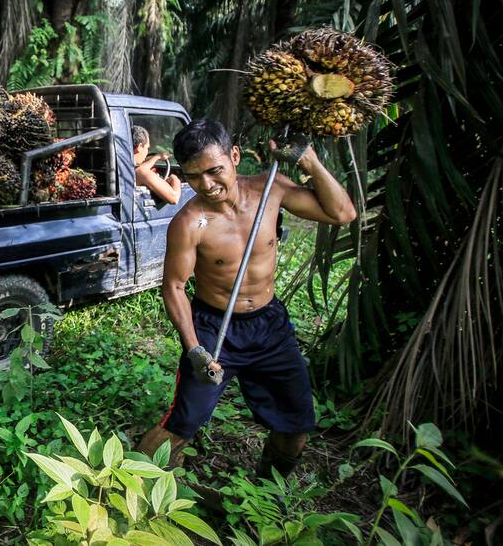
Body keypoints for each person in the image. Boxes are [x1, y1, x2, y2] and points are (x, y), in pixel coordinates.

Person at [136, 119, 356, 479]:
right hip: (214, 328)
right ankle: (136, 486)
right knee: (181, 425)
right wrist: (194, 349)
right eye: (193, 177)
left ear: (235, 156)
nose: (206, 185)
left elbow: (343, 214)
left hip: (269, 327)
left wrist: (310, 162)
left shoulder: (271, 191)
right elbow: (175, 286)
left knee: (295, 426)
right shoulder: (190, 223)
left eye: (214, 171)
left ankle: (266, 491)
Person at [132, 125, 182, 204]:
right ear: (140, 146)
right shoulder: (141, 172)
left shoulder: (126, 166)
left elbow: (140, 169)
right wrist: (175, 179)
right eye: (147, 148)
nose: (147, 152)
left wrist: (157, 157)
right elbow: (174, 198)